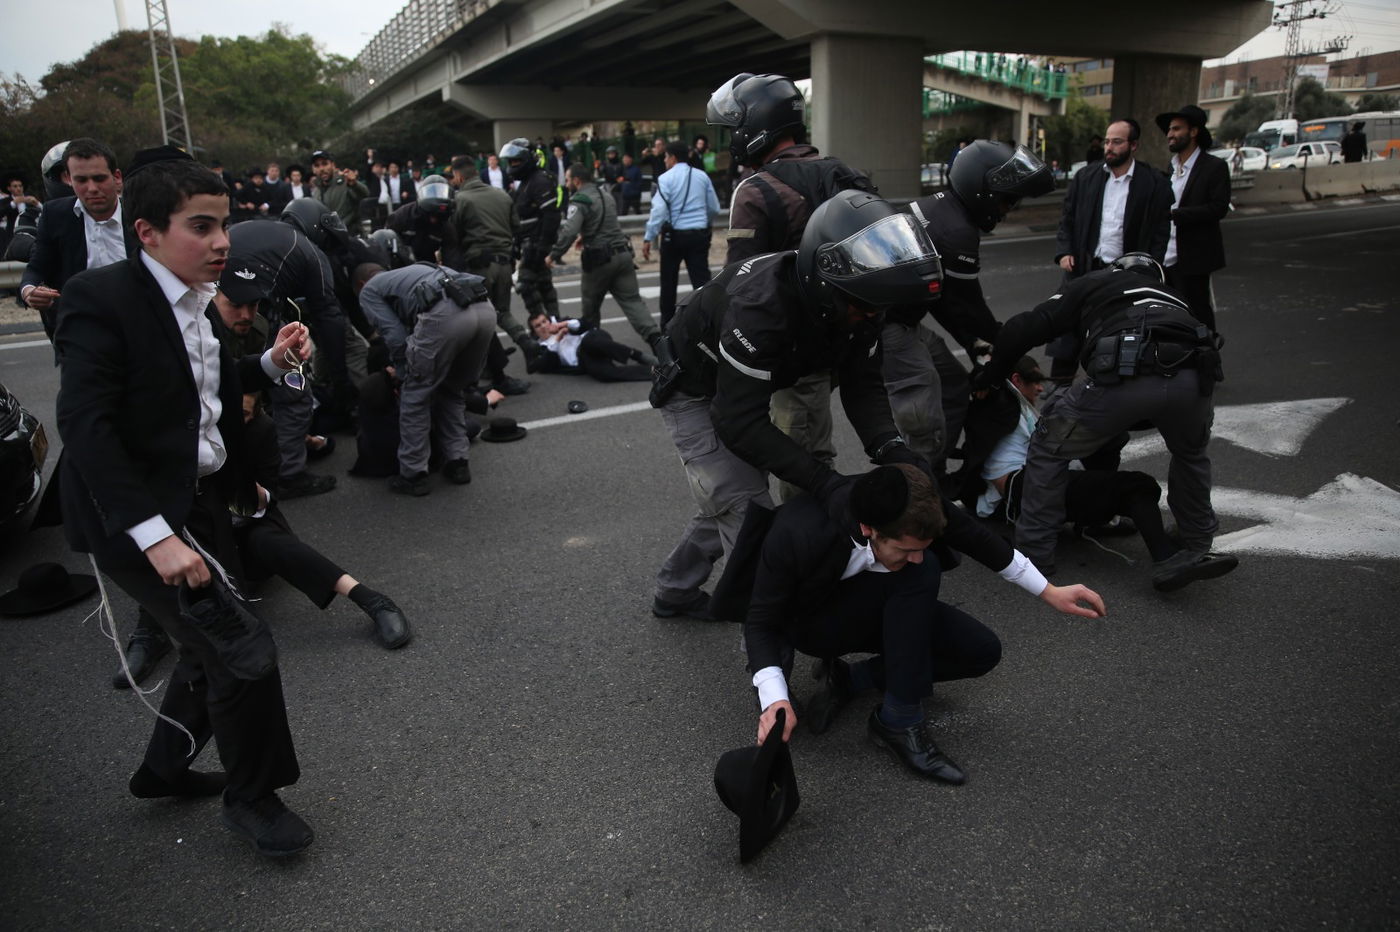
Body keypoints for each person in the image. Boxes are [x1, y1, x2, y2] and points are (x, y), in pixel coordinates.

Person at [53, 146, 316, 857]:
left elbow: (200, 382)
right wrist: (154, 533)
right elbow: (85, 425)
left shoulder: (196, 298)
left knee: (208, 648)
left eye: (223, 224)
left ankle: (163, 769)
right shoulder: (100, 298)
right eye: (201, 226)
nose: (222, 241)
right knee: (243, 649)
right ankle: (253, 798)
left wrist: (269, 363)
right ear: (148, 232)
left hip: (194, 501)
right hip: (136, 514)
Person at [649, 190, 941, 620]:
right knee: (748, 511)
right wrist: (825, 482)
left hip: (743, 385)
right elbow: (739, 421)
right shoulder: (761, 308)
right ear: (825, 283)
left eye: (879, 307)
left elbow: (863, 386)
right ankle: (768, 661)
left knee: (732, 497)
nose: (871, 316)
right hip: (693, 388)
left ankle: (674, 590)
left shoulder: (857, 298)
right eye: (863, 307)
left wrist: (891, 449)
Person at [742, 465, 1104, 783]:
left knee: (980, 652)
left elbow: (980, 540)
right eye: (905, 549)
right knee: (924, 569)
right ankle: (898, 720)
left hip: (884, 604)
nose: (914, 556)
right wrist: (775, 699)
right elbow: (760, 621)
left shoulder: (916, 506)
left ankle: (851, 679)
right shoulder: (797, 533)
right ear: (869, 528)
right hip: (816, 626)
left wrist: (1049, 591)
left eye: (921, 545)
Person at [970, 252, 1236, 590]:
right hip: (1193, 380)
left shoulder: (1100, 282)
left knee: (1050, 446)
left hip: (1127, 371)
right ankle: (1196, 540)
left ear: (1116, 270)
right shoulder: (1175, 298)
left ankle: (1035, 555)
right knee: (1191, 455)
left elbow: (1023, 328)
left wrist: (991, 375)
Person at [706, 71, 877, 503]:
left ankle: (807, 551)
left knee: (796, 459)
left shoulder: (757, 190)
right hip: (845, 338)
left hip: (784, 342)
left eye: (734, 128)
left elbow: (741, 282)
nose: (732, 138)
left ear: (756, 125)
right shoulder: (847, 175)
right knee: (814, 446)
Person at [882, 140, 1052, 485]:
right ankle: (917, 486)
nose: (1007, 209)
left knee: (954, 383)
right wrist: (1002, 346)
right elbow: (968, 307)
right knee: (923, 412)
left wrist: (982, 347)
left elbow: (946, 300)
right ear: (982, 191)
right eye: (1006, 199)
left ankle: (936, 469)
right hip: (885, 326)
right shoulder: (957, 231)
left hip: (901, 320)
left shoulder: (940, 207)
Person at [230, 390, 412, 649]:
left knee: (267, 539)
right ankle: (152, 630)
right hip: (203, 531)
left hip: (249, 520)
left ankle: (372, 599)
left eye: (244, 414)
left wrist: (241, 478)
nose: (235, 421)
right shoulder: (191, 431)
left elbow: (269, 497)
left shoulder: (260, 430)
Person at [226, 217, 345, 499]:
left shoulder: (257, 230)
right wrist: (342, 381)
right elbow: (329, 315)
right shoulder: (308, 251)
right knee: (294, 394)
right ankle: (289, 473)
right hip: (255, 318)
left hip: (212, 312)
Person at [1048, 118, 1174, 383]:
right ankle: (1058, 389)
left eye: (1117, 142)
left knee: (1119, 333)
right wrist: (1064, 252)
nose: (1109, 147)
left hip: (1125, 274)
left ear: (1133, 145)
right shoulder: (1086, 177)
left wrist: (1149, 267)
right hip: (1084, 266)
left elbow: (1161, 231)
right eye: (1107, 141)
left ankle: (1111, 392)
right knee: (1067, 328)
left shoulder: (1153, 183)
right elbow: (1067, 219)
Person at [355, 263, 496, 496]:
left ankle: (413, 474)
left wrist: (404, 372)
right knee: (452, 390)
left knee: (415, 396)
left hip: (446, 314)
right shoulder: (414, 271)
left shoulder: (369, 291)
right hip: (484, 309)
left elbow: (395, 337)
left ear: (360, 285)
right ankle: (457, 462)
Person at [20, 138, 135, 341]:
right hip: (80, 332)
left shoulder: (140, 213)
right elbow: (36, 269)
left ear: (116, 177)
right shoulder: (55, 215)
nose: (91, 188)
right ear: (69, 179)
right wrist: (30, 291)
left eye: (99, 178)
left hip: (136, 325)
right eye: (81, 180)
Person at [551, 164, 665, 355]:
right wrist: (585, 236)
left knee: (590, 308)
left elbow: (568, 231)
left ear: (577, 180)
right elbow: (606, 225)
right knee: (633, 303)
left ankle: (593, 348)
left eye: (569, 179)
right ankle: (659, 343)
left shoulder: (580, 199)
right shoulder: (606, 195)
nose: (567, 183)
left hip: (599, 261)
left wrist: (553, 255)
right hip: (623, 255)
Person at [447, 156, 535, 362]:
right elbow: (516, 227)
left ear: (458, 176)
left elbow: (453, 236)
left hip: (478, 266)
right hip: (505, 263)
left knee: (477, 316)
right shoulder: (502, 195)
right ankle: (526, 343)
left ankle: (489, 364)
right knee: (502, 311)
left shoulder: (460, 200)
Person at [1156, 105, 1230, 334]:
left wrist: (1177, 215)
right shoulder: (1170, 168)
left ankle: (1207, 361)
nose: (1170, 134)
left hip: (1194, 257)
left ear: (1194, 132)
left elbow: (1218, 208)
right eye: (1169, 130)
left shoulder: (1214, 167)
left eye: (1177, 129)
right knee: (1169, 315)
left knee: (1198, 315)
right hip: (1166, 257)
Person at [642, 141, 720, 329]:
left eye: (666, 157)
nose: (665, 161)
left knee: (668, 283)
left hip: (673, 237)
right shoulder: (702, 176)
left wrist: (648, 237)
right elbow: (714, 208)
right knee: (701, 283)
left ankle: (667, 328)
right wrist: (704, 223)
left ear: (673, 157)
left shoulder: (665, 179)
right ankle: (709, 324)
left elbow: (659, 212)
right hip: (698, 236)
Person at [501, 138, 563, 322]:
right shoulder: (526, 182)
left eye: (516, 161)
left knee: (525, 285)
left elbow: (552, 216)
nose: (513, 165)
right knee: (545, 287)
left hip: (536, 245)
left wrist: (543, 246)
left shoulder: (539, 180)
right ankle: (553, 326)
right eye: (510, 161)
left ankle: (541, 327)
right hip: (529, 244)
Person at [525, 312, 655, 382]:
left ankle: (637, 355)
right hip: (583, 358)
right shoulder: (542, 348)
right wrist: (558, 338)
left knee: (589, 342)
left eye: (544, 321)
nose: (543, 326)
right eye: (538, 325)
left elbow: (587, 323)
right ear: (534, 332)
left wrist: (564, 325)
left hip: (592, 339)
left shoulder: (561, 323)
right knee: (606, 374)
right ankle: (657, 371)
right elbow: (544, 365)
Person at [309, 150, 369, 230]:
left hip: (350, 235)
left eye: (325, 164)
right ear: (313, 169)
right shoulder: (316, 192)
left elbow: (365, 194)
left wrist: (355, 184)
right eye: (317, 165)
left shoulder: (345, 181)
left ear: (333, 165)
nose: (321, 169)